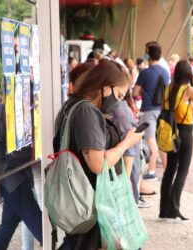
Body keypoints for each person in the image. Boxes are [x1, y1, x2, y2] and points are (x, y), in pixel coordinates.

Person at [55, 60, 143, 249]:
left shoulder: (70, 105)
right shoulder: (86, 111)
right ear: (105, 86)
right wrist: (128, 142)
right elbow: (98, 164)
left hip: (83, 199)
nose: (118, 101)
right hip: (92, 201)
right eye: (118, 95)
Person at [0, 100, 42, 249]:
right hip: (11, 176)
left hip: (21, 173)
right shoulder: (1, 110)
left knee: (8, 223)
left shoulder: (24, 109)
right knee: (36, 220)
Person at [159, 60, 193, 222]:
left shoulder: (168, 88)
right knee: (183, 170)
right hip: (185, 132)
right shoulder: (189, 90)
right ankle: (174, 208)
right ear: (189, 74)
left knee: (170, 170)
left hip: (171, 131)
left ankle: (164, 209)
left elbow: (163, 109)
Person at [133, 45, 170, 181]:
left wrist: (145, 91)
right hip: (162, 110)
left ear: (148, 56)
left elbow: (135, 92)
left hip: (148, 110)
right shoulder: (166, 73)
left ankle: (152, 171)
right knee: (160, 141)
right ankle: (167, 172)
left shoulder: (145, 73)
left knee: (150, 141)